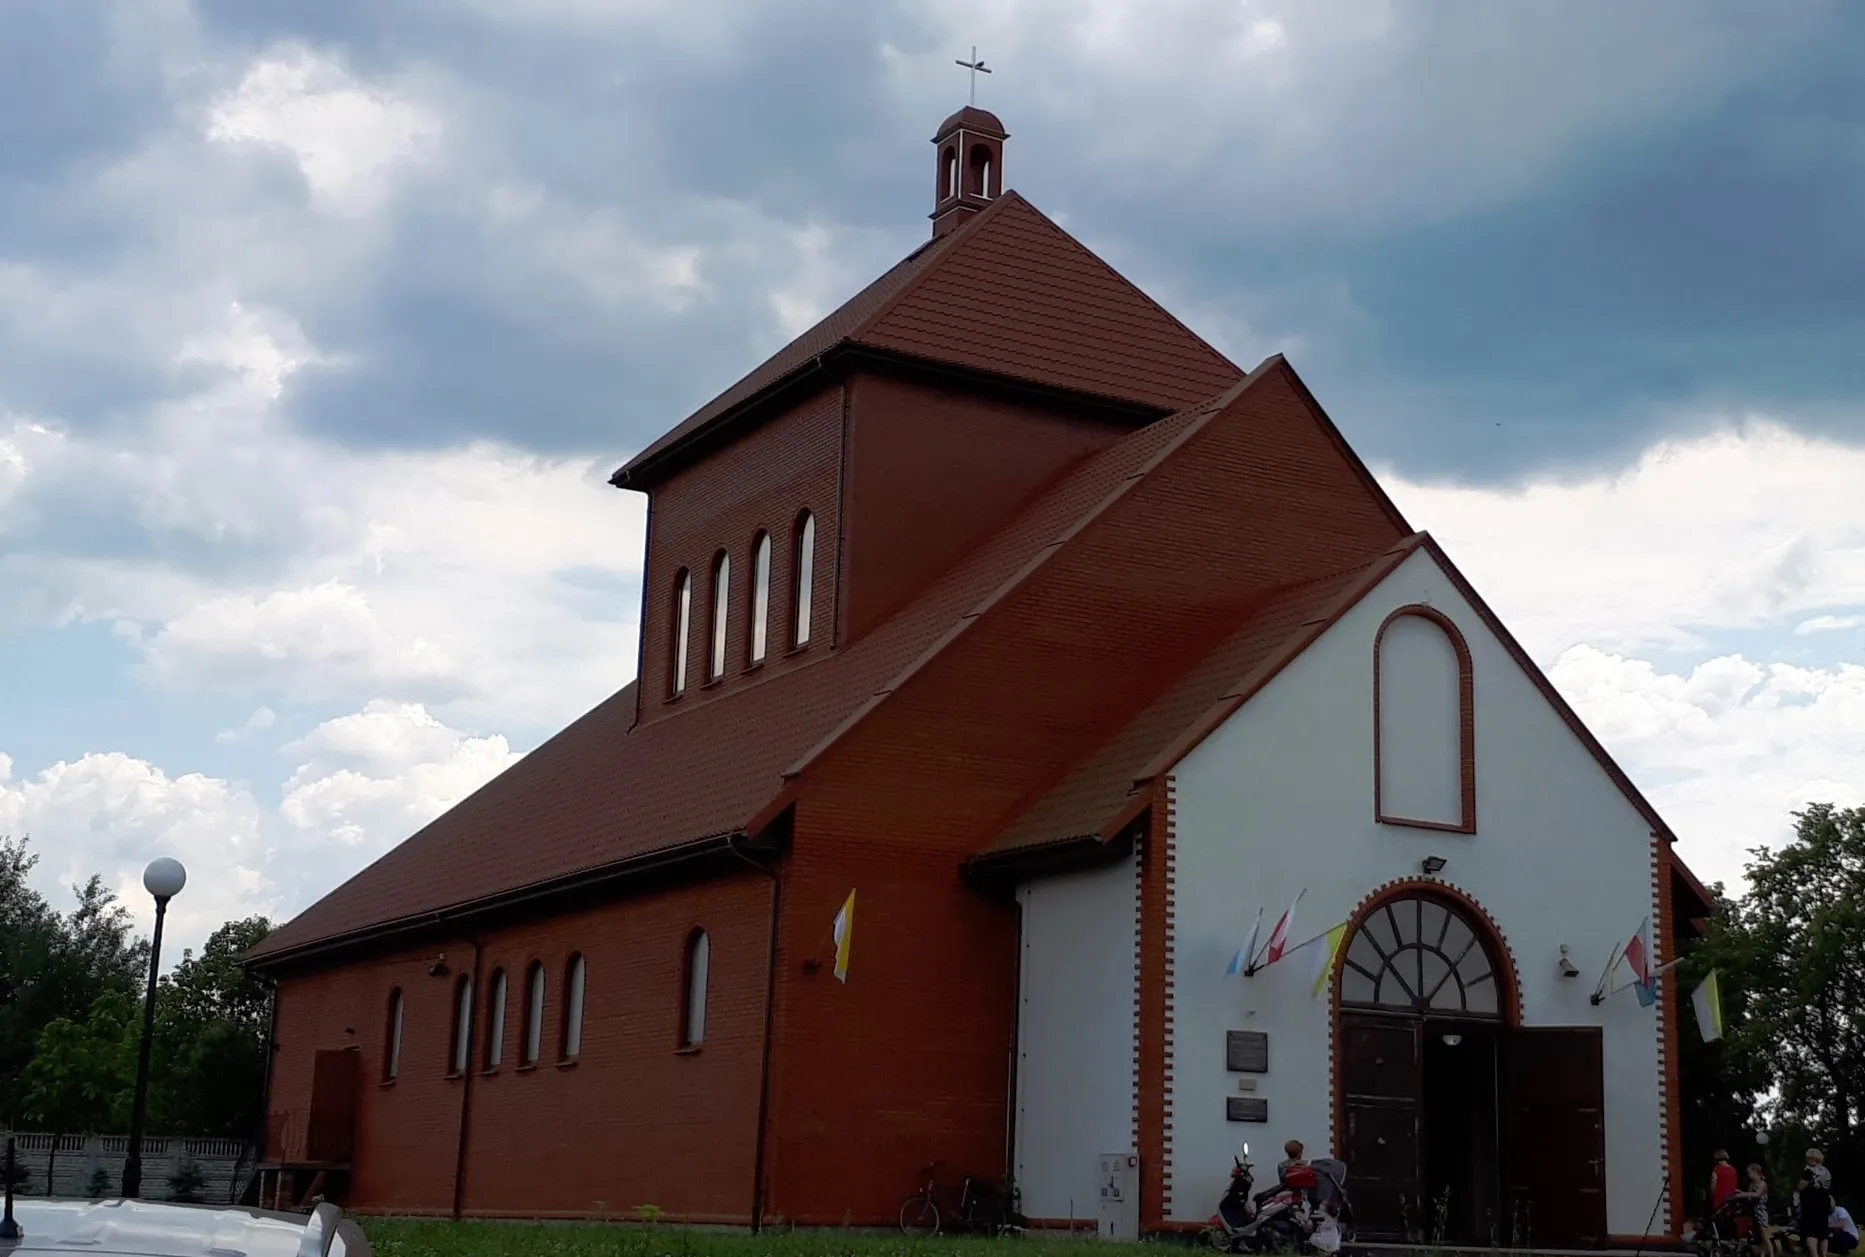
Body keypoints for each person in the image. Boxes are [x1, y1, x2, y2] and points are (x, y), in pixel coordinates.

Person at [1799, 1149, 1834, 1257]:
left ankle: (1815, 1254)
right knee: (1823, 1232)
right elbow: (1829, 1187)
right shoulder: (1826, 1171)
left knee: (1811, 1231)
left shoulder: (1809, 1170)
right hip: (1824, 1202)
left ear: (1811, 1158)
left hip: (1811, 1202)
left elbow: (1802, 1186)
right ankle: (1823, 1254)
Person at [1712, 1150, 1741, 1215]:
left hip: (1720, 1200)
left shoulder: (1716, 1169)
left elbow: (1713, 1185)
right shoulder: (1733, 1170)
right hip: (1731, 1200)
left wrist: (1712, 1195)